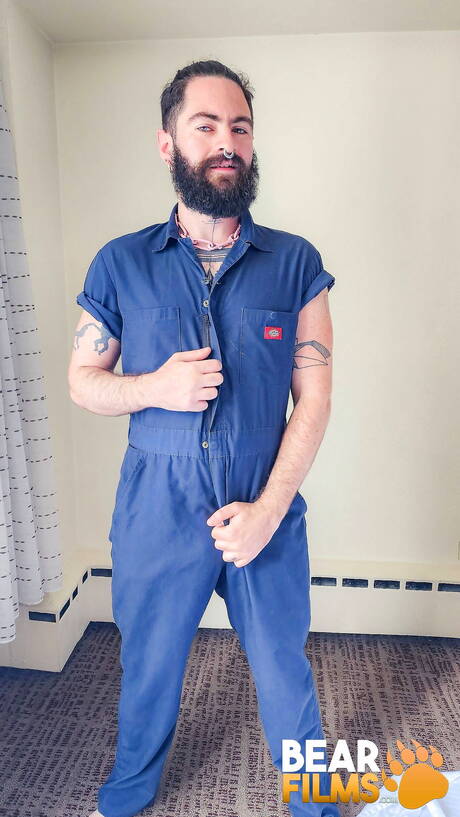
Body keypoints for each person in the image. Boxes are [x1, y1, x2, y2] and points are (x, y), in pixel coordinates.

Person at [68, 59, 339, 817]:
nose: (228, 142)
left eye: (240, 128)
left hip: (264, 494)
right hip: (158, 501)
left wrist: (269, 511)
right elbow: (82, 381)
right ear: (168, 144)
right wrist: (155, 388)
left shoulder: (295, 263)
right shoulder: (121, 263)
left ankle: (317, 800)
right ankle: (129, 792)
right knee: (149, 665)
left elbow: (315, 398)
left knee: (283, 664)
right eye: (207, 125)